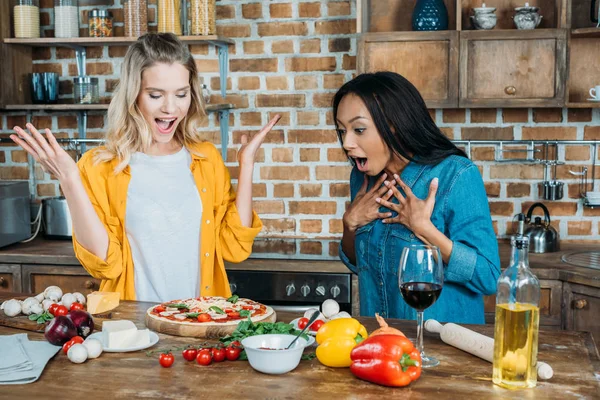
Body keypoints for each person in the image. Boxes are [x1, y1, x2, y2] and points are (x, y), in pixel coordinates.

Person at [10, 32, 279, 302]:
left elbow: (234, 247)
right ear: (133, 94)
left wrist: (247, 164)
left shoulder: (205, 159)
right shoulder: (99, 166)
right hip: (133, 328)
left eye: (181, 94)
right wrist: (69, 180)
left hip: (200, 323)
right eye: (155, 94)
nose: (170, 108)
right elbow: (106, 264)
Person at [335, 71, 500, 324]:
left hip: (442, 349)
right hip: (382, 343)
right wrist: (350, 223)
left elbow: (488, 277)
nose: (347, 142)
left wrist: (425, 229)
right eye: (342, 130)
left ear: (394, 125)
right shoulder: (362, 179)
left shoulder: (455, 175)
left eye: (358, 129)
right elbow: (363, 266)